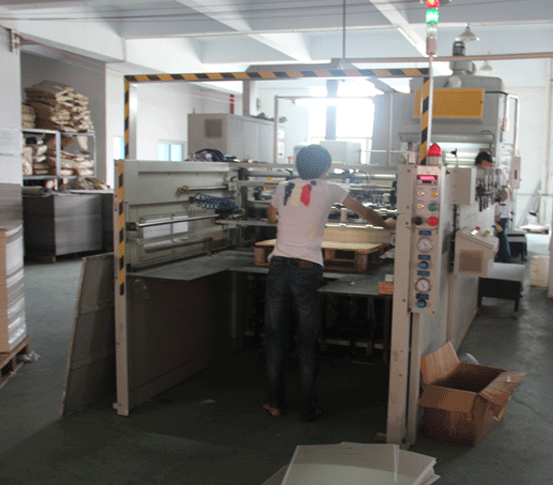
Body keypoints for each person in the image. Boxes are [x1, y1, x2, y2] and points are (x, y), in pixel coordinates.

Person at [261, 144, 395, 422]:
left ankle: (274, 403)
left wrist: (288, 217)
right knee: (307, 340)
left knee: (275, 337)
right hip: (307, 269)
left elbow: (271, 216)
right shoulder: (331, 189)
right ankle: (308, 409)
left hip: (278, 268)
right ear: (326, 168)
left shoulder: (283, 187)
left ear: (297, 166)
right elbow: (366, 214)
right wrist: (388, 223)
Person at [475, 151, 512, 263]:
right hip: (501, 212)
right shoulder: (499, 172)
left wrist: (497, 213)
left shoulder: (496, 173)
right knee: (500, 235)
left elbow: (500, 194)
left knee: (500, 235)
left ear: (484, 162)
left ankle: (506, 260)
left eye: (480, 166)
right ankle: (503, 259)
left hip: (500, 214)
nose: (481, 169)